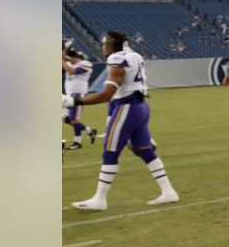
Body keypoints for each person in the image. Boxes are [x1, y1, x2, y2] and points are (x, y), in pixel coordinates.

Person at [65, 31, 179, 210]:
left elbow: (106, 95)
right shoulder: (135, 56)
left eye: (105, 43)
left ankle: (100, 199)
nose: (103, 47)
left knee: (110, 152)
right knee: (144, 151)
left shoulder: (117, 59)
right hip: (141, 106)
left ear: (113, 43)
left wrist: (74, 101)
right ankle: (168, 191)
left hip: (126, 107)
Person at [61, 46, 98, 150]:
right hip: (68, 95)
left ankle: (77, 142)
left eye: (70, 58)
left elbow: (72, 71)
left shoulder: (85, 64)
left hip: (78, 95)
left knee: (74, 119)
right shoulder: (68, 63)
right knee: (67, 119)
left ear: (77, 57)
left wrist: (62, 60)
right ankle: (89, 130)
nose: (68, 60)